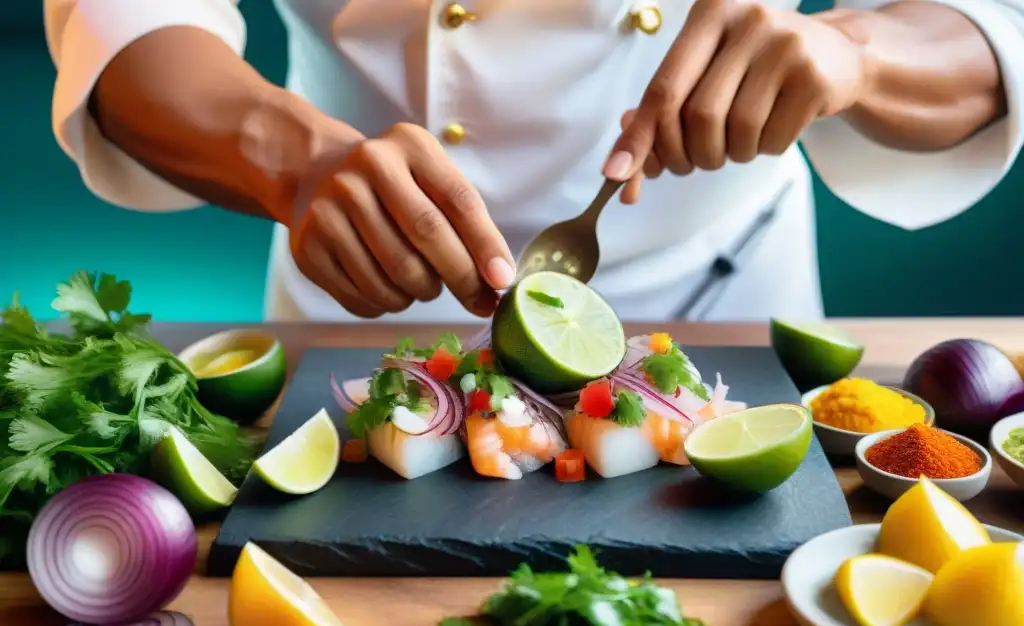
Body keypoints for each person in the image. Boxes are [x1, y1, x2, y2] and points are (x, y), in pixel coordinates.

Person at [44, 0, 1023, 323]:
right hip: (361, 294)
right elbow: (122, 18)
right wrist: (292, 163)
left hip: (722, 301)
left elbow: (997, 30)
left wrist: (856, 56)